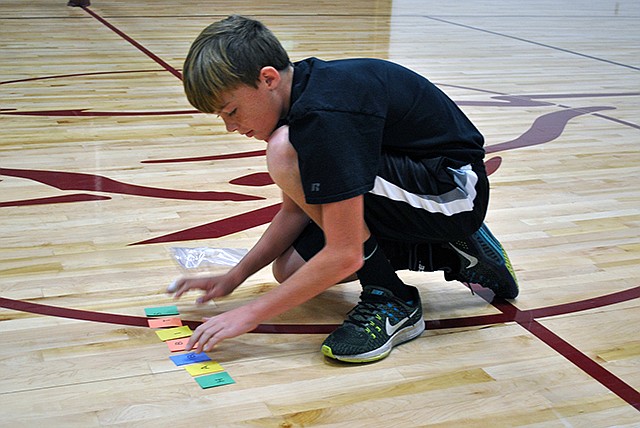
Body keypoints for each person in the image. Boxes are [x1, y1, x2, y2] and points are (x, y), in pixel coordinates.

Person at [170, 15, 518, 363]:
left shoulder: (323, 117)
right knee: (289, 270)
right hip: (418, 187)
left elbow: (345, 254)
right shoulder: (299, 95)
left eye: (232, 111)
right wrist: (234, 278)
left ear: (268, 78)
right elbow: (293, 212)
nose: (231, 126)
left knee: (284, 151)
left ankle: (392, 299)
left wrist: (247, 315)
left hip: (452, 195)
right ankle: (448, 251)